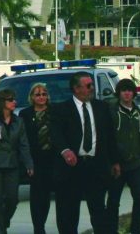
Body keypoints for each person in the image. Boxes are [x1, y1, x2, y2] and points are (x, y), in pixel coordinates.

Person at [51, 71, 120, 234]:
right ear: (76, 88)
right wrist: (65, 151)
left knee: (98, 210)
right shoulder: (61, 109)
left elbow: (110, 136)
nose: (92, 88)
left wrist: (115, 161)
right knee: (68, 212)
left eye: (92, 85)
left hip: (96, 166)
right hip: (72, 168)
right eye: (88, 86)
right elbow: (56, 134)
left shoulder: (101, 107)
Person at [106, 79, 140, 234]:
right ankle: (111, 230)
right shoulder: (113, 112)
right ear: (119, 93)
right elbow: (109, 139)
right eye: (124, 90)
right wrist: (113, 161)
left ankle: (136, 229)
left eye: (129, 90)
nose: (127, 93)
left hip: (136, 164)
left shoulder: (138, 112)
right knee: (113, 201)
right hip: (117, 165)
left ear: (134, 93)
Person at [0, 88, 34, 234]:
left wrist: (29, 164)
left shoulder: (19, 121)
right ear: (2, 102)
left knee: (12, 199)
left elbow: (24, 144)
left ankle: (4, 220)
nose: (14, 102)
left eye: (14, 99)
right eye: (10, 100)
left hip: (13, 164)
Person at [20, 82, 59, 234]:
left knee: (47, 194)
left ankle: (42, 224)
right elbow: (23, 140)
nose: (41, 97)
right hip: (35, 160)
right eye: (38, 94)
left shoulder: (54, 112)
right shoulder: (25, 114)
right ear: (32, 97)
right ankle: (38, 227)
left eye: (44, 94)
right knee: (37, 195)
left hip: (52, 159)